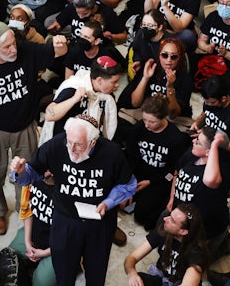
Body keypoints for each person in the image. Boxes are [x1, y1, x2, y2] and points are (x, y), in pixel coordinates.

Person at [0, 21, 68, 234]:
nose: (13, 50)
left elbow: (57, 53)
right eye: (7, 47)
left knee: (28, 171)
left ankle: (26, 208)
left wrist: (60, 45)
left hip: (26, 125)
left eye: (14, 44)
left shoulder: (25, 49)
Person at [11, 115, 136, 286]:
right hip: (65, 219)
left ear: (92, 142)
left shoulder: (112, 153)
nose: (71, 149)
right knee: (63, 272)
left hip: (99, 222)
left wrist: (108, 202)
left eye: (78, 144)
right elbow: (31, 175)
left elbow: (128, 185)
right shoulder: (56, 145)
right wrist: (20, 171)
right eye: (69, 141)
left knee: (96, 273)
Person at [168, 127, 230, 262]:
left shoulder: (222, 172)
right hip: (184, 219)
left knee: (197, 261)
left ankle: (225, 244)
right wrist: (172, 199)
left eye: (198, 141)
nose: (193, 141)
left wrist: (216, 143)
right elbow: (176, 173)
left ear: (209, 152)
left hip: (205, 230)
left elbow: (210, 180)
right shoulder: (192, 155)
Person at [123, 95, 189, 230]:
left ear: (163, 118)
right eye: (145, 119)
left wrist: (151, 182)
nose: (147, 125)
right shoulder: (139, 128)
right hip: (138, 174)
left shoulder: (175, 139)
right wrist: (129, 183)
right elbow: (131, 157)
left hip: (159, 180)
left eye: (152, 122)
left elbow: (173, 171)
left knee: (141, 216)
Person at [42, 56, 122, 142]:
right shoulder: (73, 88)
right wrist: (74, 99)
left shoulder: (107, 97)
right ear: (99, 80)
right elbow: (49, 115)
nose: (117, 85)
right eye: (114, 82)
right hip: (64, 142)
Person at [123, 204, 208, 286]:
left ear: (183, 231)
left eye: (172, 220)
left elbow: (189, 283)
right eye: (170, 216)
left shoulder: (196, 252)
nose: (165, 219)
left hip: (179, 282)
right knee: (139, 279)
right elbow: (132, 257)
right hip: (162, 277)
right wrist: (132, 273)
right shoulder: (164, 230)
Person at [121, 38, 192, 120]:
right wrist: (145, 78)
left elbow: (173, 113)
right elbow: (135, 103)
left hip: (169, 119)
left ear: (179, 58)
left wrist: (170, 87)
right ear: (159, 55)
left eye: (174, 57)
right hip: (147, 113)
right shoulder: (150, 68)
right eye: (164, 55)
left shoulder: (184, 78)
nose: (168, 60)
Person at [7, 170, 56, 286]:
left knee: (41, 282)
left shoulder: (69, 193)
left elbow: (70, 239)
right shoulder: (33, 177)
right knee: (9, 258)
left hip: (58, 248)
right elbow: (27, 211)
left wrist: (44, 253)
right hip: (33, 235)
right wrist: (28, 242)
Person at [129, 10, 170, 77]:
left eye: (150, 26)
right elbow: (137, 51)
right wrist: (138, 61)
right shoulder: (140, 34)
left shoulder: (169, 43)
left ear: (160, 27)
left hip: (163, 74)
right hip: (144, 69)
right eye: (144, 25)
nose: (146, 28)